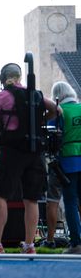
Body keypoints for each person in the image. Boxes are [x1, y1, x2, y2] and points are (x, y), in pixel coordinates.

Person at [0, 63, 58, 254]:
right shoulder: (37, 95)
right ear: (20, 77)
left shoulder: (1, 97)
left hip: (12, 151)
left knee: (0, 195)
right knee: (31, 199)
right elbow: (58, 111)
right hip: (35, 153)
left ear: (3, 79)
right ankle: (30, 245)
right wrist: (40, 121)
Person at [51, 81, 81, 254]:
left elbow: (53, 135)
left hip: (69, 159)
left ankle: (76, 243)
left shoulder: (59, 112)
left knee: (70, 201)